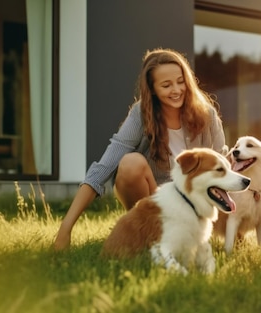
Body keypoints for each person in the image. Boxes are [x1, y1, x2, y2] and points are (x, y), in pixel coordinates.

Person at [53, 48, 226, 251]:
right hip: (156, 200)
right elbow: (103, 168)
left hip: (197, 202)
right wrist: (65, 228)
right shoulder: (141, 115)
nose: (177, 90)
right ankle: (145, 233)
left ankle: (189, 236)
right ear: (152, 89)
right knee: (129, 163)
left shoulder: (207, 114)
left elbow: (225, 168)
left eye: (181, 81)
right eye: (166, 85)